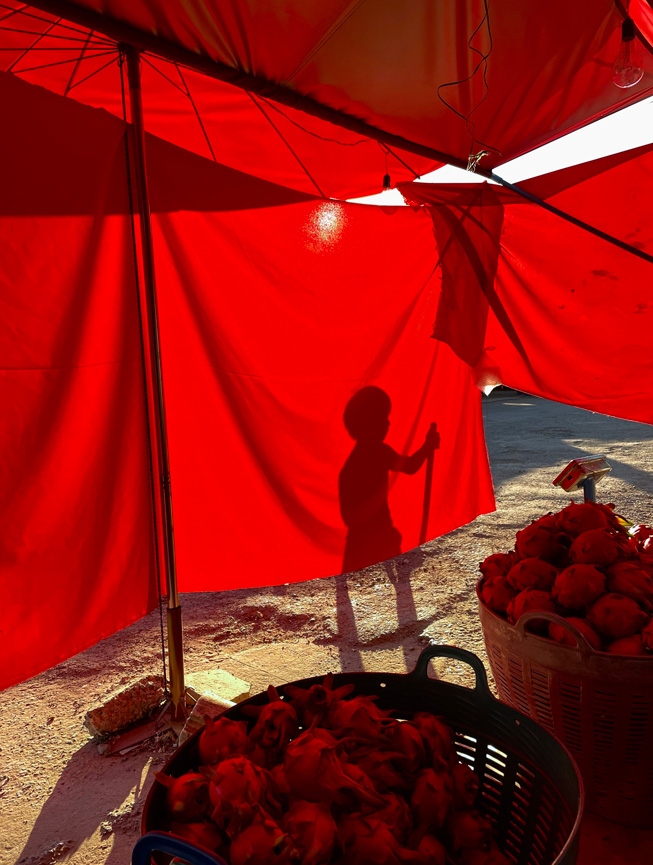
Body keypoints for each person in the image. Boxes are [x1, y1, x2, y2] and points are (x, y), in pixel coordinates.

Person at [339, 386, 439, 573]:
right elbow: (410, 466)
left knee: (353, 579)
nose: (388, 424)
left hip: (361, 537)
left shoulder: (357, 459)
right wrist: (427, 446)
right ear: (367, 424)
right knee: (395, 577)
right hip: (375, 533)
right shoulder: (377, 451)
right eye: (381, 418)